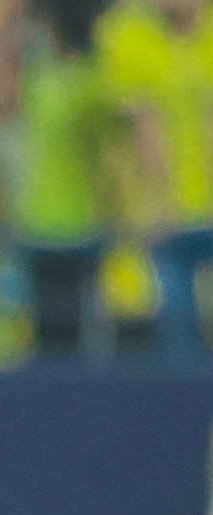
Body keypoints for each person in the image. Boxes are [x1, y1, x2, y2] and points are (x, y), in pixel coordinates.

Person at [99, 0, 213, 356]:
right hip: (161, 222)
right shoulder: (126, 34)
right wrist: (157, 205)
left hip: (204, 213)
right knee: (175, 335)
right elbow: (139, 133)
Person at [13, 0, 119, 356]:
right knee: (44, 336)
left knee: (79, 337)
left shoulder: (91, 86)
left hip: (80, 227)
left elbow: (110, 155)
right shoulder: (40, 78)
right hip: (39, 226)